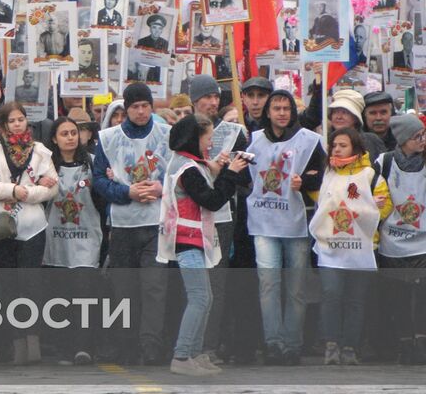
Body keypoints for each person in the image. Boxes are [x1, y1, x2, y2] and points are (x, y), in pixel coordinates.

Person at [156, 114, 246, 376]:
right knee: (199, 298)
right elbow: (213, 200)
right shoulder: (188, 169)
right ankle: (182, 355)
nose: (211, 144)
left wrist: (217, 171)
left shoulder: (189, 163)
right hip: (187, 239)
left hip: (193, 238)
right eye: (208, 138)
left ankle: (195, 353)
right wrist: (230, 175)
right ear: (195, 139)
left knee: (204, 298)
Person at [92, 82, 172, 365]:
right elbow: (99, 180)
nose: (140, 111)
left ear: (152, 107)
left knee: (154, 287)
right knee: (124, 289)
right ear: (126, 110)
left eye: (145, 106)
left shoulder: (167, 135)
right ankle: (126, 345)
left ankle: (151, 346)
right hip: (123, 224)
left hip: (156, 223)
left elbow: (179, 174)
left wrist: (162, 188)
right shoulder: (108, 137)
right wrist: (127, 192)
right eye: (135, 107)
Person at [245, 89, 324, 365]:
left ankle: (293, 343)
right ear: (268, 112)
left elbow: (323, 175)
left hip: (296, 224)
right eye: (276, 108)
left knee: (296, 287)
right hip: (263, 223)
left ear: (292, 111)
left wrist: (307, 182)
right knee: (268, 283)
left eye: (285, 108)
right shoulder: (252, 140)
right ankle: (273, 343)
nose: (281, 113)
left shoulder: (310, 141)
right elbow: (242, 175)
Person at [0, 102, 58, 364]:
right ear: (3, 126)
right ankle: (17, 344)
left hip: (33, 227)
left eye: (21, 119)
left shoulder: (41, 151)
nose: (17, 124)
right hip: (1, 227)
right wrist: (11, 190)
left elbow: (52, 187)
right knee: (9, 286)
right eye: (11, 121)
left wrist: (29, 193)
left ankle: (33, 342)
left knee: (30, 285)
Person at [312, 128, 390, 365]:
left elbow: (385, 207)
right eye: (334, 145)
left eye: (343, 145)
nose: (336, 149)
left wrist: (370, 207)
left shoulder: (370, 176)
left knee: (356, 300)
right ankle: (331, 343)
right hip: (331, 248)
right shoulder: (328, 173)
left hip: (360, 248)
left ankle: (350, 346)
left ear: (355, 148)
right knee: (331, 294)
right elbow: (320, 201)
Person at [42, 117, 103, 364]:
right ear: (54, 139)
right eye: (64, 133)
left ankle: (83, 346)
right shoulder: (45, 167)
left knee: (84, 292)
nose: (70, 137)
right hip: (55, 240)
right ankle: (63, 347)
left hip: (87, 239)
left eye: (73, 133)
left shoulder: (92, 164)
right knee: (60, 295)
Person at [378, 114, 426, 363]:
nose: (422, 140)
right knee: (398, 297)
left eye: (423, 135)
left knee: (422, 298)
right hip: (393, 242)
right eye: (417, 136)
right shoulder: (385, 162)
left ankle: (421, 342)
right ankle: (405, 343)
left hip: (423, 243)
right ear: (403, 139)